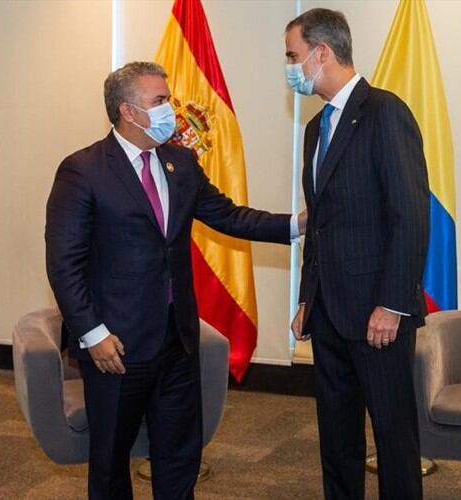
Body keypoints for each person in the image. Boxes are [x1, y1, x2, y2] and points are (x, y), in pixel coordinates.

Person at [45, 61, 304, 500]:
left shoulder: (179, 162)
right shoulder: (83, 170)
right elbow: (64, 262)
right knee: (110, 461)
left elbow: (228, 214)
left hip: (177, 338)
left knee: (180, 454)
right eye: (161, 101)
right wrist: (92, 334)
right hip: (116, 345)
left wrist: (297, 223)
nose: (171, 110)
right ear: (128, 111)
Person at [285, 8, 430, 500]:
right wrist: (307, 298)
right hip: (328, 314)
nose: (290, 67)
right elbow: (322, 224)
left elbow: (409, 216)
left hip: (377, 316)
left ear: (321, 53)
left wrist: (393, 304)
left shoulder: (385, 112)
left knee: (393, 439)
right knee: (337, 440)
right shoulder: (314, 130)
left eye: (293, 56)